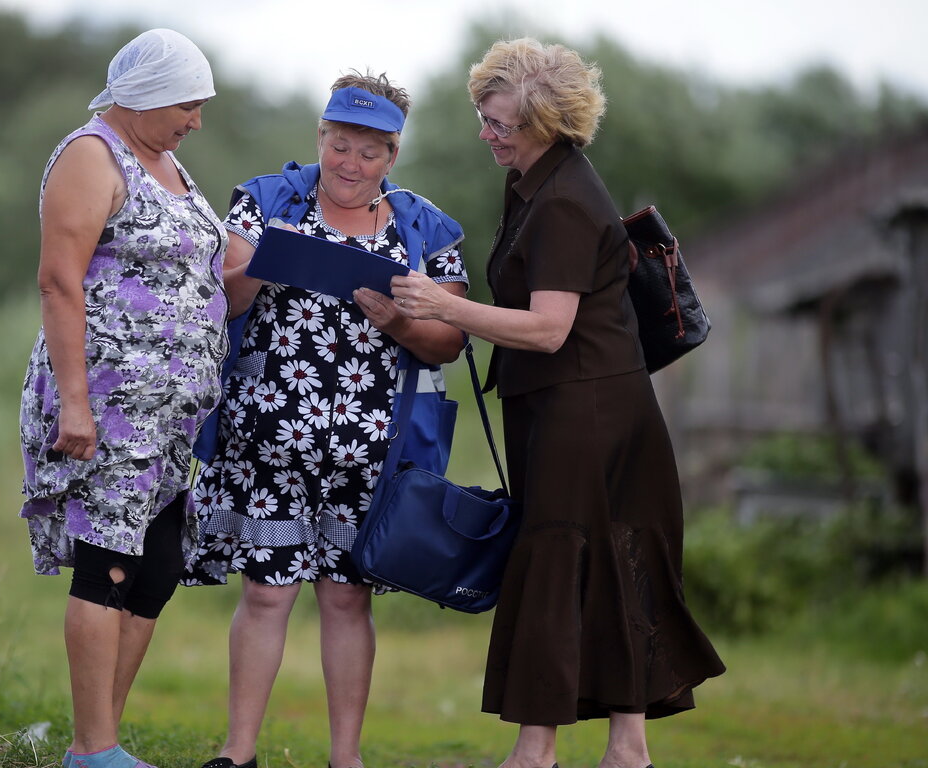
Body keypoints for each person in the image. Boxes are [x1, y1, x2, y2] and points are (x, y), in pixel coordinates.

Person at [387, 38, 726, 768]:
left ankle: (536, 751)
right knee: (605, 562)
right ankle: (626, 748)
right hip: (576, 404)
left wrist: (443, 309)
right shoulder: (536, 181)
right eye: (484, 117)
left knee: (561, 561)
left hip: (587, 411)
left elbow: (547, 329)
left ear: (545, 123)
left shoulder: (567, 199)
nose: (486, 134)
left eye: (500, 124)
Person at [185, 72, 468, 768]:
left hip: (370, 450)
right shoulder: (264, 198)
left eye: (369, 153)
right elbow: (227, 295)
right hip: (269, 441)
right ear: (320, 135)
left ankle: (348, 759)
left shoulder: (429, 227)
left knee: (346, 600)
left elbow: (451, 340)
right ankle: (238, 752)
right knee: (265, 592)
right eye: (339, 145)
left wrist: (400, 317)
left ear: (393, 155)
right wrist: (270, 259)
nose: (350, 163)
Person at [17, 29, 227, 768]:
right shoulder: (91, 154)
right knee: (107, 564)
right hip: (108, 407)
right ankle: (96, 747)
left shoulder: (166, 161)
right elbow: (59, 280)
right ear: (143, 97)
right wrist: (75, 405)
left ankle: (95, 743)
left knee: (157, 568)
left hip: (170, 417)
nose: (197, 119)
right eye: (187, 104)